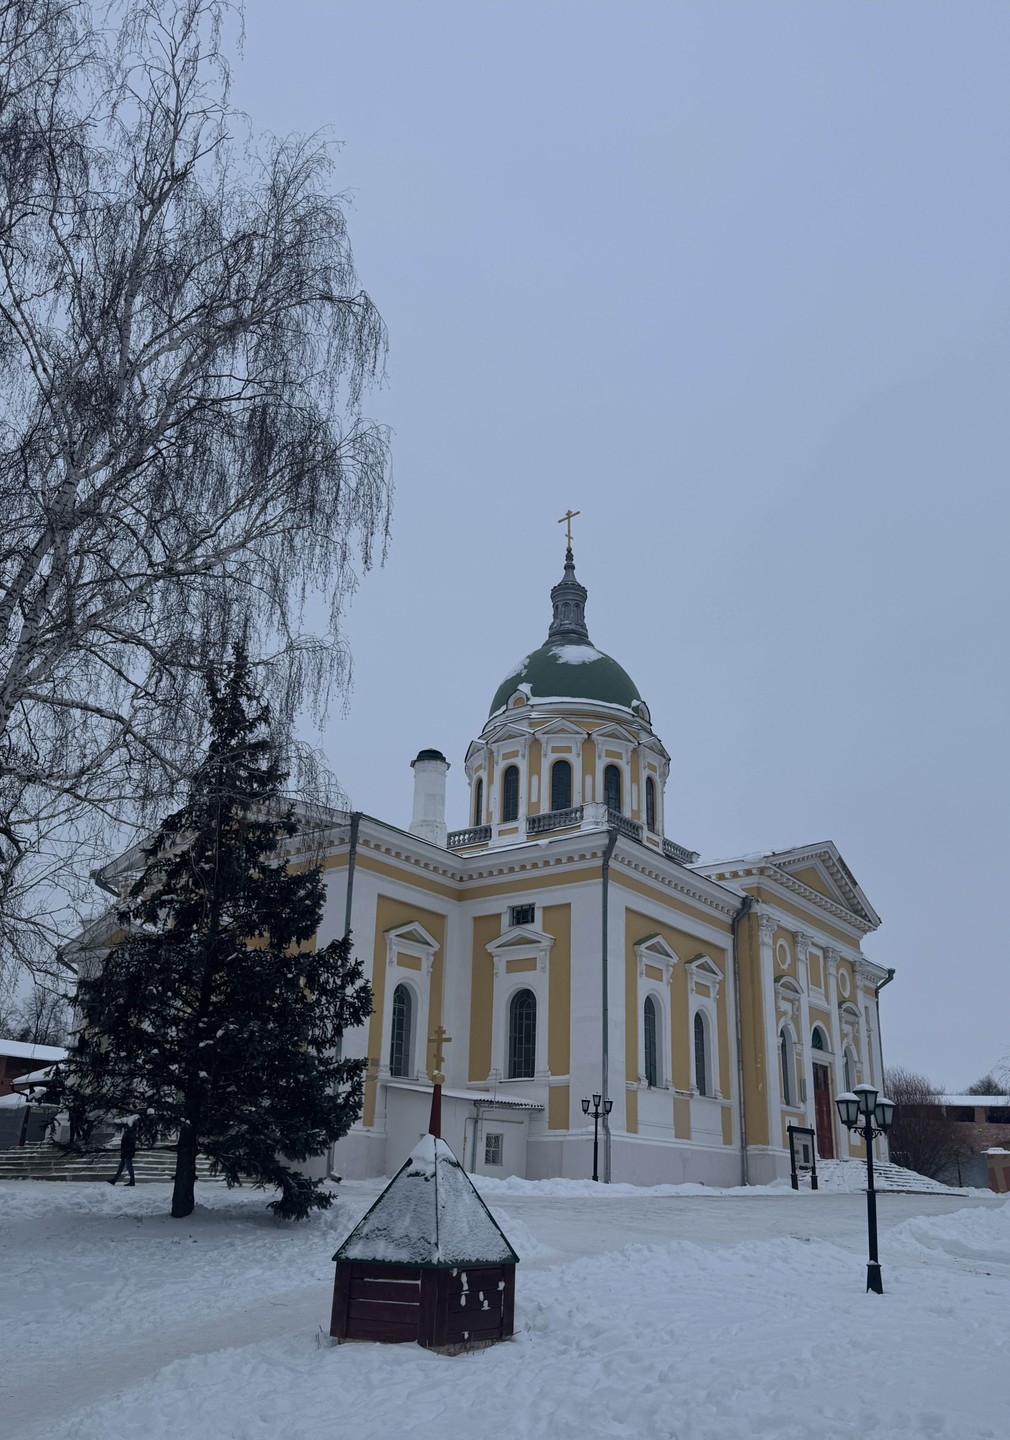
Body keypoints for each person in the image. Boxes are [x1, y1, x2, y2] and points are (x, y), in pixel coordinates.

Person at [108, 1121, 137, 1186]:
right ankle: (114, 1180)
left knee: (129, 1167)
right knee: (121, 1167)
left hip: (127, 1152)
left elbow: (129, 1143)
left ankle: (132, 1181)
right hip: (125, 1152)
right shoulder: (129, 1132)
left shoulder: (130, 1132)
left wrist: (125, 1150)